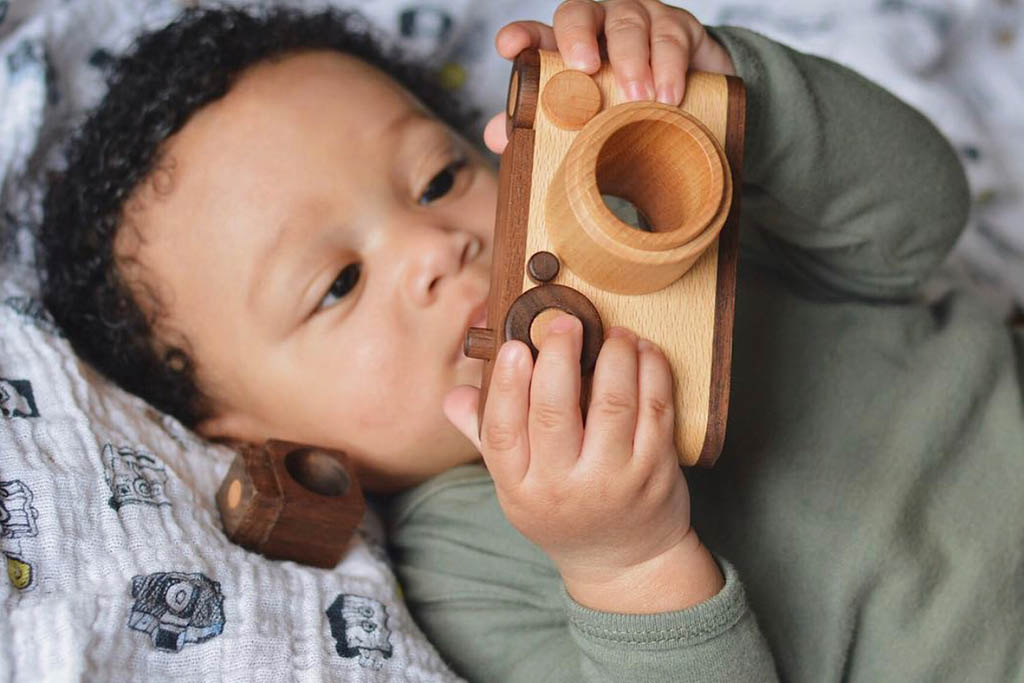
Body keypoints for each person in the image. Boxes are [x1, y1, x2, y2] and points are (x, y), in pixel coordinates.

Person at [38, 1, 1023, 681]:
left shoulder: (649, 220)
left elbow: (917, 226)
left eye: (436, 179)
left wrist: (726, 105)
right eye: (338, 281)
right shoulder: (464, 559)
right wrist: (627, 565)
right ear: (243, 426)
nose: (437, 244)